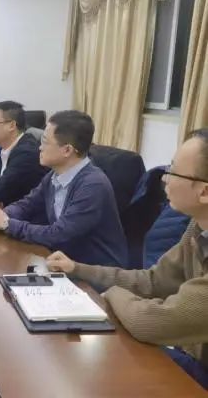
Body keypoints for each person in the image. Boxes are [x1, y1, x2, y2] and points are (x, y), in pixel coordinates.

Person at [46, 128, 208, 390]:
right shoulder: (198, 227)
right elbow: (152, 281)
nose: (164, 179)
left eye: (174, 171)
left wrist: (112, 293)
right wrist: (77, 268)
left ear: (204, 192)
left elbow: (153, 322)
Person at [0, 110, 127, 267]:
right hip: (63, 260)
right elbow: (27, 204)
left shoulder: (92, 185)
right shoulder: (54, 175)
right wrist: (2, 215)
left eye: (45, 142)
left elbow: (58, 235)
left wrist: (7, 224)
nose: (39, 147)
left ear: (67, 150)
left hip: (92, 271)